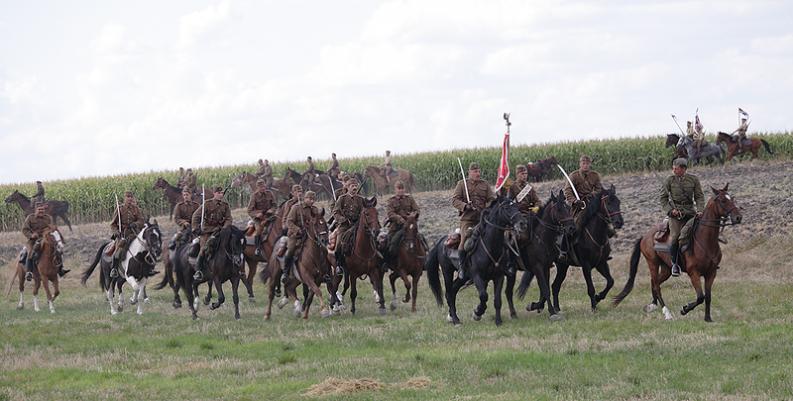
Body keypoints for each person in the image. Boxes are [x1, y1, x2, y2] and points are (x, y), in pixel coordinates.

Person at [659, 158, 705, 277]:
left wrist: (700, 210)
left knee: (704, 232)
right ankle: (675, 264)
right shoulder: (669, 180)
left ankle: (707, 260)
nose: (674, 170)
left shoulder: (693, 179)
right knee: (674, 237)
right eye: (673, 168)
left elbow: (699, 196)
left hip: (691, 212)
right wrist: (671, 211)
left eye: (676, 168)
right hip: (676, 215)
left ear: (683, 169)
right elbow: (663, 199)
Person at [451, 162, 495, 277]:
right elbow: (455, 200)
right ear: (469, 172)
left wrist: (487, 207)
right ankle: (462, 267)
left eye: (479, 171)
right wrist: (465, 206)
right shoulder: (461, 184)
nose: (478, 174)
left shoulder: (485, 184)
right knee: (465, 238)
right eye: (475, 171)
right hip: (468, 219)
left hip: (483, 219)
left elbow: (491, 199)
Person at [282, 190, 325, 284]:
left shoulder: (314, 209)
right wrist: (297, 229)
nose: (312, 201)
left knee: (322, 248)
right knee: (291, 250)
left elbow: (317, 222)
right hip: (296, 235)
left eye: (313, 199)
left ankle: (323, 272)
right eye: (310, 199)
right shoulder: (296, 208)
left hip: (309, 235)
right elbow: (289, 222)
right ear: (305, 198)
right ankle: (285, 272)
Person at [191, 186, 232, 281]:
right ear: (214, 194)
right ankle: (199, 270)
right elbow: (195, 216)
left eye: (222, 193)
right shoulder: (207, 204)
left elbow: (229, 218)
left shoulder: (225, 205)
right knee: (204, 248)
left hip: (220, 230)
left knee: (233, 242)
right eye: (219, 193)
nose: (221, 195)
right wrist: (196, 228)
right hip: (207, 231)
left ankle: (234, 266)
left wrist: (225, 227)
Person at [22, 202, 68, 281]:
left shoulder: (48, 218)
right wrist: (31, 235)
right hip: (33, 240)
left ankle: (60, 269)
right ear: (35, 210)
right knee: (30, 252)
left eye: (42, 209)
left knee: (58, 250)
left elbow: (51, 228)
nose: (41, 211)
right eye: (39, 209)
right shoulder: (30, 218)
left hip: (45, 238)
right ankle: (29, 272)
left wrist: (52, 229)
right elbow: (24, 229)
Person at [110, 191, 146, 279]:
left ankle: (147, 268)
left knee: (145, 247)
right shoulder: (120, 209)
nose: (129, 198)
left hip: (134, 233)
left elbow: (141, 221)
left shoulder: (136, 209)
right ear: (124, 198)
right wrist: (116, 232)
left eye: (131, 197)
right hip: (123, 235)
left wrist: (136, 224)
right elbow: (112, 224)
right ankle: (114, 269)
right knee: (118, 252)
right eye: (128, 197)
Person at [331, 178, 365, 267]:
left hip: (357, 225)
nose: (354, 187)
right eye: (352, 186)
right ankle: (339, 265)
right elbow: (335, 212)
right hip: (345, 226)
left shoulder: (361, 199)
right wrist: (343, 220)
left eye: (356, 185)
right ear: (348, 187)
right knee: (338, 246)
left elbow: (364, 212)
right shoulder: (342, 198)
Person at [384, 180, 420, 262]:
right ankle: (390, 262)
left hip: (409, 227)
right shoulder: (391, 201)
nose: (401, 190)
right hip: (396, 227)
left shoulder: (409, 199)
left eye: (402, 188)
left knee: (421, 239)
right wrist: (400, 219)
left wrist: (412, 216)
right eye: (399, 188)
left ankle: (424, 260)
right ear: (395, 190)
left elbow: (416, 210)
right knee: (392, 243)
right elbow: (390, 213)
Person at [248, 179, 277, 256]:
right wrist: (257, 214)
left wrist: (272, 210)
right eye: (261, 187)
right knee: (259, 230)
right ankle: (258, 247)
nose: (263, 188)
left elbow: (274, 205)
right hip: (259, 218)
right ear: (257, 187)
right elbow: (250, 210)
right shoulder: (254, 196)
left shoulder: (270, 193)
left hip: (269, 216)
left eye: (264, 186)